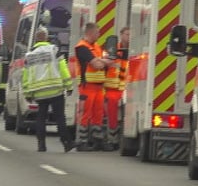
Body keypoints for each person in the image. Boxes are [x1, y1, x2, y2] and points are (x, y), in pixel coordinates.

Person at [22, 27, 75, 152]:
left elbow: (26, 75)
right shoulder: (53, 50)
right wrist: (69, 86)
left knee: (41, 117)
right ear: (46, 38)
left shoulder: (30, 55)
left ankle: (41, 145)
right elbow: (63, 69)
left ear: (36, 39)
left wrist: (27, 93)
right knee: (60, 117)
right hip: (55, 89)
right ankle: (66, 142)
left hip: (40, 92)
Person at [74, 22, 116, 151]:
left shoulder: (97, 47)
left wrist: (101, 62)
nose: (99, 34)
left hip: (98, 86)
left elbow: (110, 62)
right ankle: (82, 141)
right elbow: (95, 65)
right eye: (98, 32)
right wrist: (103, 62)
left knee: (99, 114)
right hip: (87, 86)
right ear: (90, 33)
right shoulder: (81, 47)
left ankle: (98, 140)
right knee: (85, 114)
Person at [103, 26, 130, 151]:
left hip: (127, 90)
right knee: (112, 117)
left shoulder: (134, 51)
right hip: (112, 89)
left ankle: (123, 138)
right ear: (121, 35)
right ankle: (112, 139)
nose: (128, 37)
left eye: (130, 35)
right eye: (126, 34)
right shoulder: (112, 50)